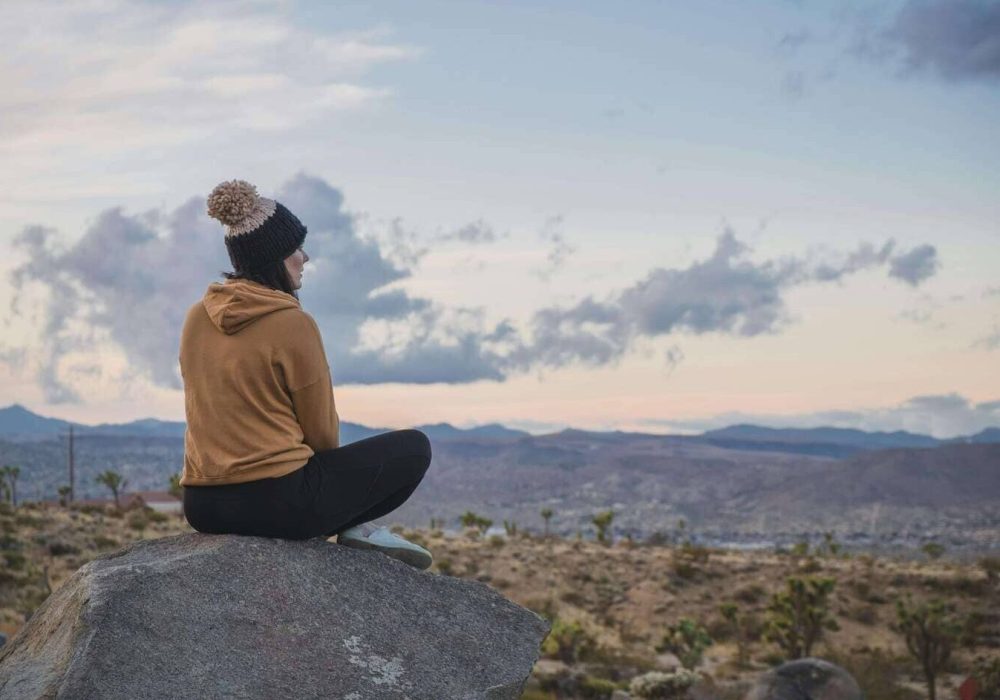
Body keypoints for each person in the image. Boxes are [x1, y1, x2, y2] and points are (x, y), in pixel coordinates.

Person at [178, 179, 433, 569]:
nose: (306, 257)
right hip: (277, 502)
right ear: (275, 257)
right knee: (415, 448)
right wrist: (337, 497)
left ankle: (353, 524)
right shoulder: (293, 323)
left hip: (202, 504)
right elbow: (323, 435)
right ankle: (354, 526)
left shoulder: (197, 316)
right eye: (297, 248)